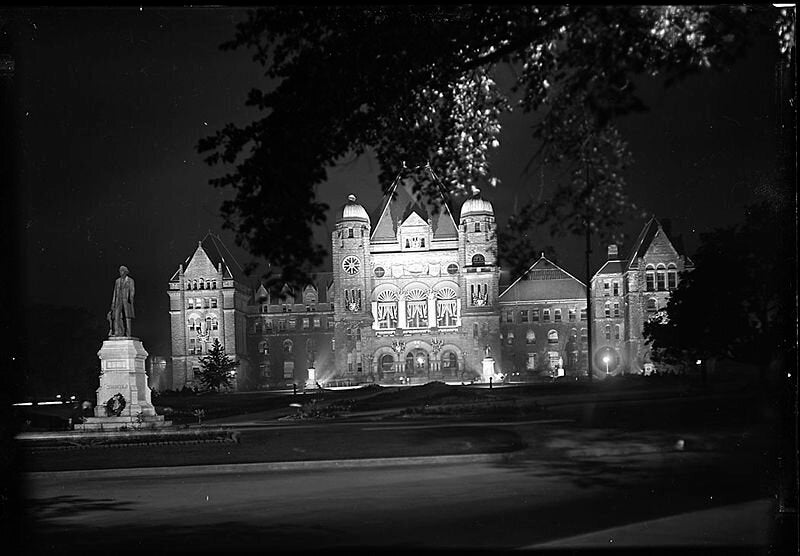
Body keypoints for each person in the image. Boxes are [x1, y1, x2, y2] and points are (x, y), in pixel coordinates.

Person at [110, 265, 135, 337]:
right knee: (116, 316)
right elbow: (115, 292)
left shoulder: (130, 280)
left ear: (126, 272)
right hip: (118, 300)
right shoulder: (117, 281)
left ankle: (128, 333)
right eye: (120, 271)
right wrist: (113, 303)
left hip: (126, 301)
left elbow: (132, 290)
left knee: (127, 317)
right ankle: (117, 332)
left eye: (122, 271)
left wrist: (130, 299)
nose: (121, 272)